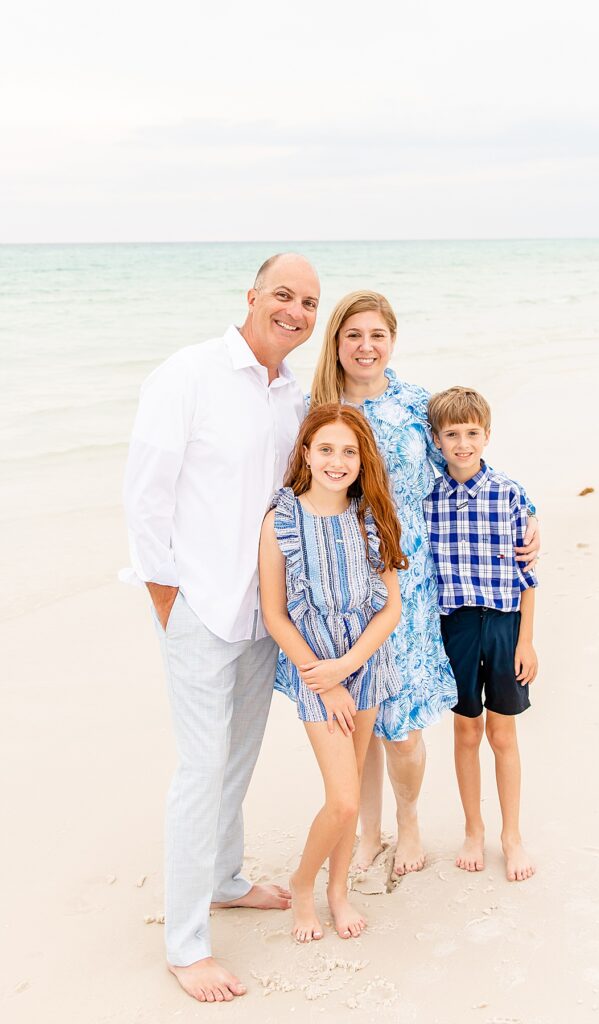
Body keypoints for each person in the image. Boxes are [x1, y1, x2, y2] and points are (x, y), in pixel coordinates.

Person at [121, 253, 320, 1003]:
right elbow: (145, 492)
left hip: (262, 612)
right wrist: (167, 596)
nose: (294, 311)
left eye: (307, 302)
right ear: (251, 295)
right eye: (282, 294)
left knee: (238, 758)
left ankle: (226, 878)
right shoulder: (189, 374)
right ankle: (185, 944)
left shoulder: (291, 396)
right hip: (199, 607)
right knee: (201, 770)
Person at [308, 292, 541, 876]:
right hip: (341, 584)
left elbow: (467, 468)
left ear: (392, 339)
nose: (365, 346)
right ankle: (367, 833)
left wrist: (528, 514)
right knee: (352, 717)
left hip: (411, 586)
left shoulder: (417, 406)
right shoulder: (317, 406)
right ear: (336, 341)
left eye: (376, 334)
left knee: (401, 723)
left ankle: (408, 825)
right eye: (353, 334)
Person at [259, 404, 407, 942]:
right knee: (344, 798)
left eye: (348, 451)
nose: (336, 461)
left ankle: (337, 892)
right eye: (325, 449)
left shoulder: (371, 516)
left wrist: (352, 665)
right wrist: (328, 675)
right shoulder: (282, 520)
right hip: (317, 672)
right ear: (306, 453)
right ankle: (303, 884)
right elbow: (275, 614)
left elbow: (390, 608)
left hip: (364, 666)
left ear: (361, 458)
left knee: (350, 793)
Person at [424, 386, 538, 881]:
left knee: (502, 732)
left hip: (504, 623)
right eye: (452, 434)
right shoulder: (426, 501)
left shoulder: (509, 494)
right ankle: (474, 828)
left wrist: (526, 639)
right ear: (437, 440)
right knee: (466, 729)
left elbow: (528, 574)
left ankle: (511, 835)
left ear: (487, 436)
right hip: (457, 626)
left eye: (472, 433)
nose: (463, 443)